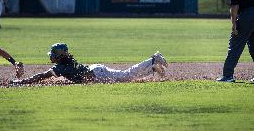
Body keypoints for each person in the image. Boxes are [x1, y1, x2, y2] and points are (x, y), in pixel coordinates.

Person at [11, 43, 168, 85]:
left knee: (127, 75)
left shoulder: (61, 66)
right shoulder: (64, 63)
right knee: (127, 76)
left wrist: (21, 81)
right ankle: (152, 67)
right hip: (96, 70)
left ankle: (153, 59)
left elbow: (41, 76)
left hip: (99, 73)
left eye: (53, 55)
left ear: (59, 56)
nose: (50, 57)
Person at [217, 0, 254, 82]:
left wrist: (234, 25)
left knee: (235, 46)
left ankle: (227, 75)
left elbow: (234, 7)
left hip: (247, 16)